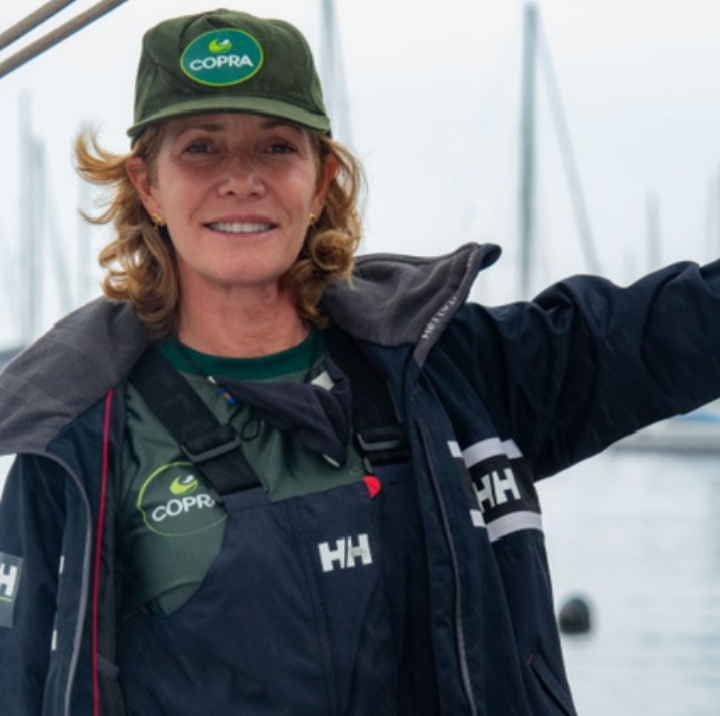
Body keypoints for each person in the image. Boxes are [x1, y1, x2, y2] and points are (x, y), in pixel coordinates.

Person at [1, 8, 720, 716]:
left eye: (276, 147)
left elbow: (677, 330)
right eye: (201, 148)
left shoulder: (448, 372)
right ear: (147, 185)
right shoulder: (76, 440)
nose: (241, 179)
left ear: (321, 181)